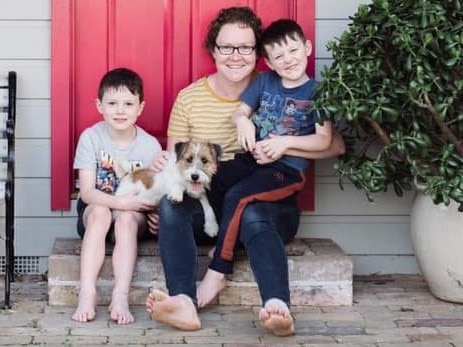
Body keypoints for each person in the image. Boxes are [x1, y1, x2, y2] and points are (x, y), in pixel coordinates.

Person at [145, 7, 345, 336]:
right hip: (218, 205)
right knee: (173, 203)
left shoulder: (274, 83)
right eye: (227, 47)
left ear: (257, 54)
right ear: (213, 50)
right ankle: (183, 300)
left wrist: (282, 144)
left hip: (269, 204)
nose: (236, 56)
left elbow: (334, 145)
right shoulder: (192, 98)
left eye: (245, 47)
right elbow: (175, 165)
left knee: (251, 210)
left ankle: (276, 305)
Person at [200, 18, 332, 300]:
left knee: (238, 196)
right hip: (252, 161)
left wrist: (285, 143)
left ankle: (217, 271)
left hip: (285, 170)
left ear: (307, 48)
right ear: (269, 63)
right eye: (278, 56)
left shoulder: (317, 93)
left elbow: (324, 140)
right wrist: (242, 122)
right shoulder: (266, 82)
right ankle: (226, 238)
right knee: (216, 178)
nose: (288, 60)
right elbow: (241, 112)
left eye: (293, 51)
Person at [72, 67, 162, 324]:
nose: (120, 110)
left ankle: (120, 296)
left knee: (125, 220)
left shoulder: (149, 146)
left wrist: (154, 213)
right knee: (101, 214)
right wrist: (120, 202)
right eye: (112, 103)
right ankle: (87, 293)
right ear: (99, 105)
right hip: (97, 208)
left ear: (140, 107)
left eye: (128, 103)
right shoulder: (91, 138)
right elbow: (88, 193)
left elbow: (154, 191)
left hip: (133, 213)